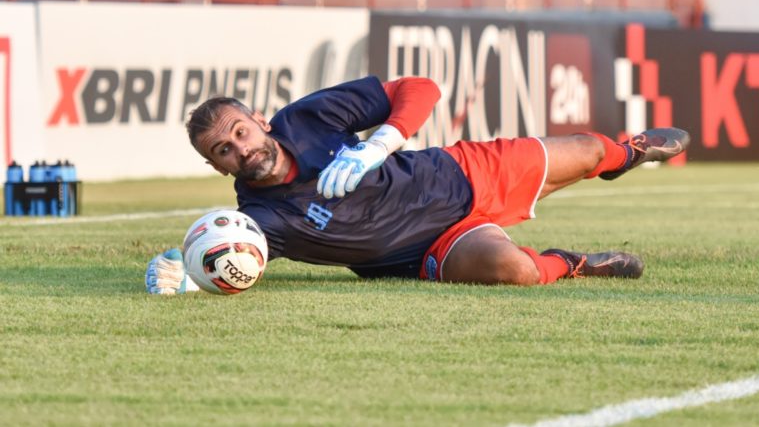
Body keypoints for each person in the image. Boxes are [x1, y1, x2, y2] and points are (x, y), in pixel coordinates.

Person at [145, 76, 689, 294]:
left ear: (259, 119)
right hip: (429, 251)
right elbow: (232, 257)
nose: (241, 149)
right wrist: (183, 272)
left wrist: (380, 143)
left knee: (593, 149)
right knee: (516, 271)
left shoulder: (306, 118)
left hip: (459, 174)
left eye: (240, 132)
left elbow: (420, 88)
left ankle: (625, 154)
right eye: (224, 151)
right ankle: (571, 264)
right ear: (219, 167)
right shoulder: (257, 219)